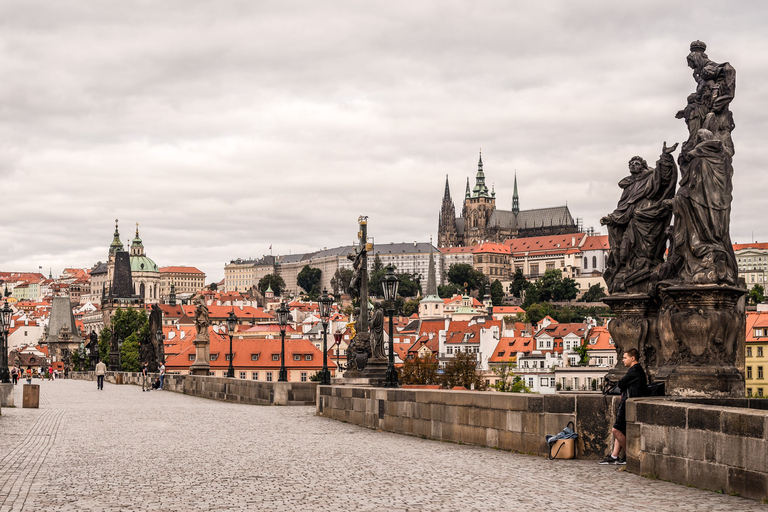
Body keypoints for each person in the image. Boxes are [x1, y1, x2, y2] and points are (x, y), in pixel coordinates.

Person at [600, 348, 647, 465]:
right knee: (620, 430)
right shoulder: (636, 369)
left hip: (628, 404)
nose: (623, 360)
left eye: (625, 358)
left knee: (616, 430)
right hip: (627, 402)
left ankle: (629, 455)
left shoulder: (634, 370)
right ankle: (614, 456)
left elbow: (621, 384)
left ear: (633, 358)